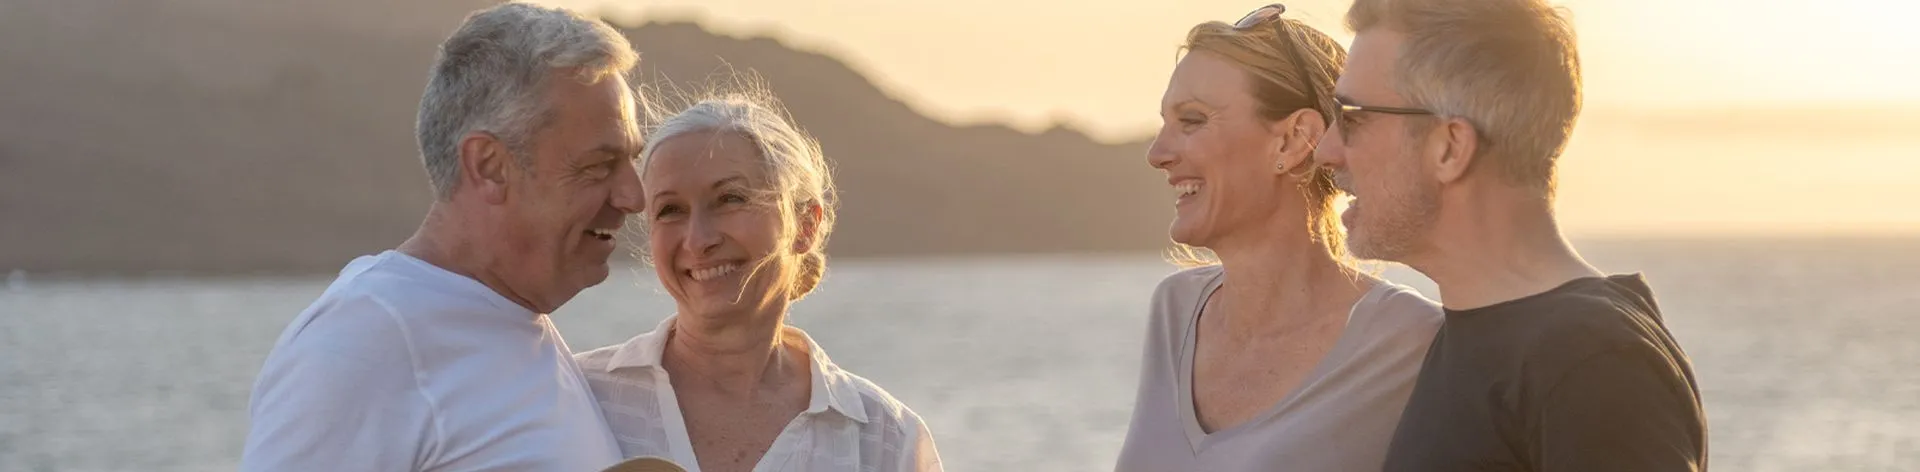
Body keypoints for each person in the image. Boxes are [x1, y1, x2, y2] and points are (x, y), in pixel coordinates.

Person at [240, 3, 642, 470]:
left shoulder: (509, 317)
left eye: (632, 161)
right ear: (490, 167)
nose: (634, 197)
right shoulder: (365, 341)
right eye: (598, 166)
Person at [1312, 0, 1709, 469]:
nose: (1325, 150)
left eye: (1352, 117)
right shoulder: (1484, 336)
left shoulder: (1591, 363)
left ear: (1450, 147)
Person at [1113, 5, 1444, 471]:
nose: (1157, 154)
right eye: (1164, 123)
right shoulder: (1175, 312)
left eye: (1191, 121)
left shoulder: (1411, 343)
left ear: (1293, 141)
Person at [573, 87, 944, 472]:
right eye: (670, 210)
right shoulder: (580, 397)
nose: (698, 240)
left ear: (805, 225)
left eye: (730, 199)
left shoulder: (883, 439)